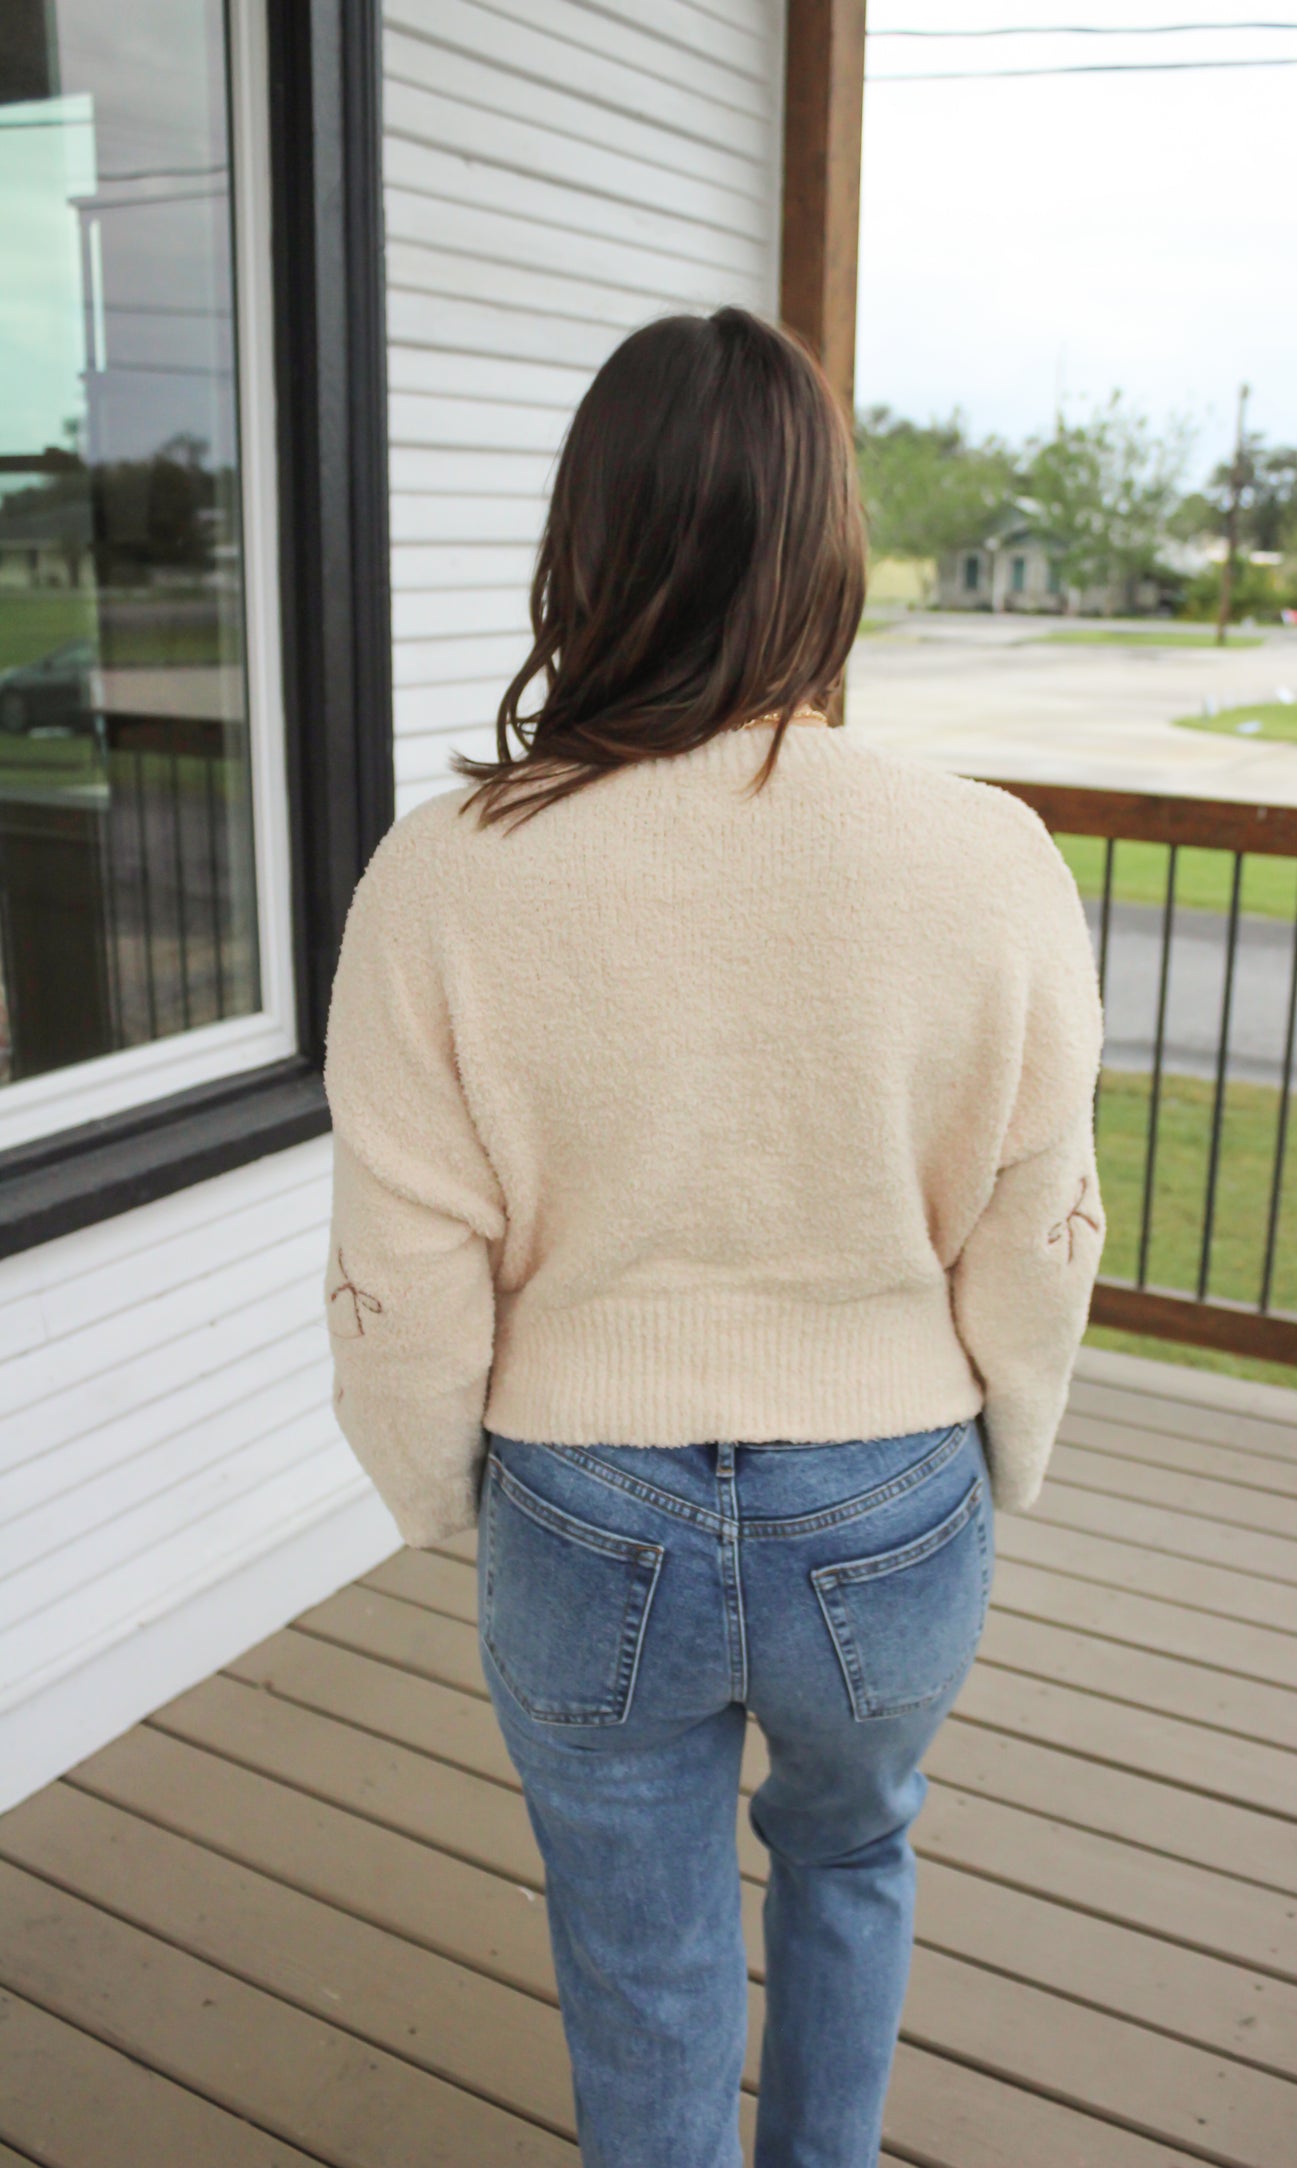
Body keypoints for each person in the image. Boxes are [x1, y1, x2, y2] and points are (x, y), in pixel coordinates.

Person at [321, 305, 1105, 2168]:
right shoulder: (987, 854)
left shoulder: (444, 872)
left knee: (641, 1959)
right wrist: (1007, 1450)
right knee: (851, 1851)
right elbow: (1038, 1235)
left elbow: (406, 1272)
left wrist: (443, 1500)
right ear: (824, 551)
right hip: (892, 1491)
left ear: (584, 549)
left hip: (583, 1507)